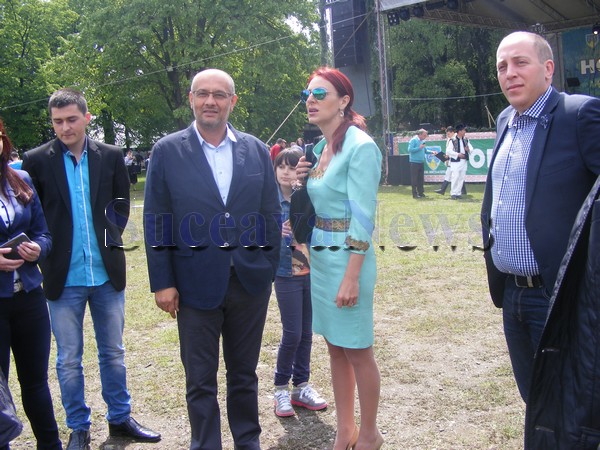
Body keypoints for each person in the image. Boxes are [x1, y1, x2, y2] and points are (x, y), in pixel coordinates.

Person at [143, 68, 281, 450]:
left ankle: (247, 441)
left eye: (219, 95)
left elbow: (271, 214)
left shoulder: (255, 149)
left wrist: (268, 267)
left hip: (249, 283)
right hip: (193, 285)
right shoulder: (167, 151)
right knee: (200, 380)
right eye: (202, 94)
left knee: (244, 374)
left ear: (232, 101)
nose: (210, 101)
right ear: (191, 99)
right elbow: (156, 219)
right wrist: (163, 282)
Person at [21, 89, 161, 449]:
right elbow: (33, 215)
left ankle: (120, 417)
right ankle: (78, 426)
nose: (65, 127)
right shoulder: (35, 161)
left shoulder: (111, 155)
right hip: (62, 275)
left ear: (86, 118)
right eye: (57, 121)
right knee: (69, 359)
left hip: (105, 273)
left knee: (113, 351)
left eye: (71, 119)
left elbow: (121, 205)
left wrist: (110, 239)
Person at [481, 31, 600, 405]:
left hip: (560, 297)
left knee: (574, 408)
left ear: (548, 69)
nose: (510, 73)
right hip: (512, 293)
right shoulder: (505, 120)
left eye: (520, 62)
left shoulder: (578, 115)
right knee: (535, 404)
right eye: (502, 66)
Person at [296, 67, 383, 450]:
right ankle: (345, 429)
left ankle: (370, 433)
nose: (311, 101)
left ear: (344, 100)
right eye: (307, 95)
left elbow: (363, 217)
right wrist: (300, 182)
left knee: (358, 350)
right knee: (334, 345)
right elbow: (315, 205)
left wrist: (351, 276)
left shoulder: (361, 147)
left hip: (349, 259)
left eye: (320, 94)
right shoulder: (319, 149)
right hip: (321, 257)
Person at [0, 119, 62, 449]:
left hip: (29, 298)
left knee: (36, 382)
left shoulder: (20, 179)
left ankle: (50, 445)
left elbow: (43, 232)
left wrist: (38, 248)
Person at [271, 148, 327, 418]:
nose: (286, 172)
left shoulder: (308, 198)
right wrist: (275, 230)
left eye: (292, 167)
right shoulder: (268, 202)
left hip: (308, 270)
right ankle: (280, 388)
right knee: (292, 333)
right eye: (281, 166)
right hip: (284, 273)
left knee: (306, 333)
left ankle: (301, 386)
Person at [446, 124, 472, 199]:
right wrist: (457, 154)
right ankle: (453, 193)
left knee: (461, 177)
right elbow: (448, 151)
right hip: (456, 161)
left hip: (464, 161)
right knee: (455, 177)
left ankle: (458, 193)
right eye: (463, 130)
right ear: (460, 131)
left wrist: (468, 149)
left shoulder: (466, 139)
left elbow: (471, 148)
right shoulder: (453, 140)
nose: (465, 131)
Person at [407, 129, 428, 198]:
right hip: (414, 162)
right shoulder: (413, 140)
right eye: (424, 135)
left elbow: (425, 150)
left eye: (426, 135)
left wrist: (432, 152)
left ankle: (421, 193)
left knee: (421, 179)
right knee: (414, 179)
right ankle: (414, 194)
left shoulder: (423, 141)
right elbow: (410, 150)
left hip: (421, 162)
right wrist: (419, 148)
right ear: (420, 134)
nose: (425, 137)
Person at [434, 126, 454, 195]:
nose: (448, 136)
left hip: (453, 159)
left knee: (453, 175)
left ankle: (442, 190)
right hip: (450, 159)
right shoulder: (450, 139)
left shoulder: (454, 139)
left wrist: (447, 156)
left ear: (452, 132)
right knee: (450, 175)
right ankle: (442, 190)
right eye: (447, 134)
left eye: (448, 134)